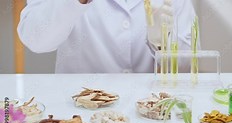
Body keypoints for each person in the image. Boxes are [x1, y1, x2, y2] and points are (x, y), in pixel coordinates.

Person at [18, 0, 197, 73]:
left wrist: (161, 43)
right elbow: (36, 41)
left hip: (150, 113)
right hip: (78, 114)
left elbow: (186, 65)